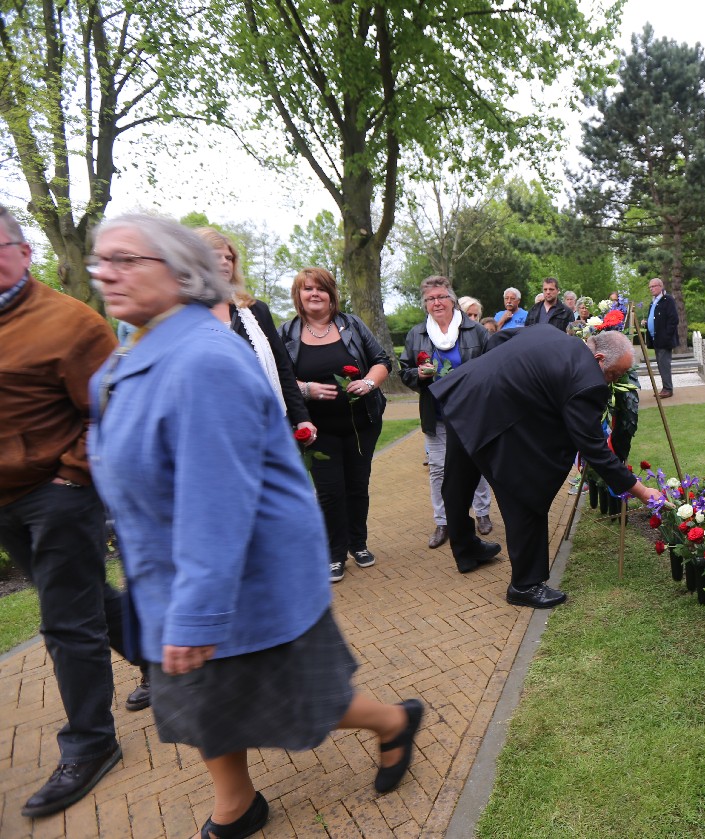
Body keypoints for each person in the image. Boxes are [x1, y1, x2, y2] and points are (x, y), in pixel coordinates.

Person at [87, 214, 423, 839]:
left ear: (179, 273)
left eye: (126, 259)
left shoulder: (202, 359)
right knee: (199, 697)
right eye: (100, 261)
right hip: (176, 574)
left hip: (242, 572)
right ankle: (236, 802)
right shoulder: (132, 354)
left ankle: (393, 722)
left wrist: (196, 612)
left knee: (294, 692)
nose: (107, 273)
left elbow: (217, 496)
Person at [0, 206, 131, 819]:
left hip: (57, 494)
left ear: (24, 252)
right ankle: (162, 662)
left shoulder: (72, 322)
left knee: (66, 620)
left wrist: (71, 475)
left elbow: (111, 407)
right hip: (6, 500)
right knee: (86, 597)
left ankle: (91, 743)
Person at [430, 327, 663, 608]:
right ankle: (524, 586)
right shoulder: (588, 380)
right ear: (599, 358)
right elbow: (595, 450)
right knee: (525, 492)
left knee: (458, 481)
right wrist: (642, 492)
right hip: (493, 416)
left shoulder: (549, 332)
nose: (613, 380)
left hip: (464, 392)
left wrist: (499, 377)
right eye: (614, 374)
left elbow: (500, 339)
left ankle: (466, 549)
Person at [281, 267, 392, 583]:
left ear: (331, 294)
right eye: (308, 289)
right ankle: (334, 553)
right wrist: (306, 389)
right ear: (299, 295)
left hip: (361, 425)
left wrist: (368, 383)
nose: (314, 294)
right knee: (330, 492)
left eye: (321, 288)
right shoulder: (286, 333)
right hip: (316, 429)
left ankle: (358, 543)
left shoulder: (352, 325)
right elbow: (277, 377)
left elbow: (382, 360)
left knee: (357, 486)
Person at [399, 277, 496, 550]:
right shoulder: (417, 334)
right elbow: (405, 370)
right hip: (436, 413)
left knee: (477, 463)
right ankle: (443, 521)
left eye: (441, 296)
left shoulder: (475, 331)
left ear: (452, 299)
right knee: (439, 470)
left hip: (470, 412)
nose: (437, 302)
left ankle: (482, 512)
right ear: (425, 304)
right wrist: (418, 374)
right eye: (430, 299)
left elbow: (492, 366)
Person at [197, 228, 316, 437]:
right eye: (216, 256)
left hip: (267, 422)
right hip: (212, 428)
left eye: (229, 258)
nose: (225, 262)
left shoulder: (253, 309)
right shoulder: (182, 313)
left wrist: (301, 417)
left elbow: (282, 367)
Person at [645, 277, 678, 398]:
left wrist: (667, 335)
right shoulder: (653, 301)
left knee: (664, 364)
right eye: (650, 287)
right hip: (656, 339)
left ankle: (668, 389)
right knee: (660, 364)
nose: (651, 289)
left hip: (664, 339)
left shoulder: (667, 300)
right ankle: (665, 387)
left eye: (653, 286)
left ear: (660, 286)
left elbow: (673, 319)